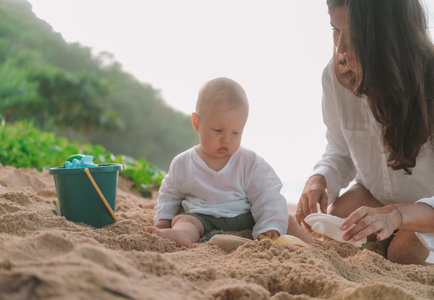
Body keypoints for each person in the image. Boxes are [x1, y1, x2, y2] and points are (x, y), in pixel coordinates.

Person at [296, 0, 434, 265]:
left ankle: (395, 237)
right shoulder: (335, 76)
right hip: (375, 195)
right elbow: (340, 150)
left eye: (356, 37)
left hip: (427, 209)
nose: (342, 49)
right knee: (339, 219)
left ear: (393, 37)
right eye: (336, 30)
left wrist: (397, 215)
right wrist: (320, 179)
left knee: (405, 250)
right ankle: (388, 234)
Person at [147, 77, 314, 247]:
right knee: (184, 221)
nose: (226, 139)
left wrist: (269, 225)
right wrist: (163, 219)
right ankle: (180, 235)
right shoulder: (183, 163)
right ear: (197, 123)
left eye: (236, 132)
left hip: (245, 215)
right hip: (202, 216)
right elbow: (169, 194)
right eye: (218, 130)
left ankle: (311, 245)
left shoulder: (249, 162)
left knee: (284, 218)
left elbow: (267, 195)